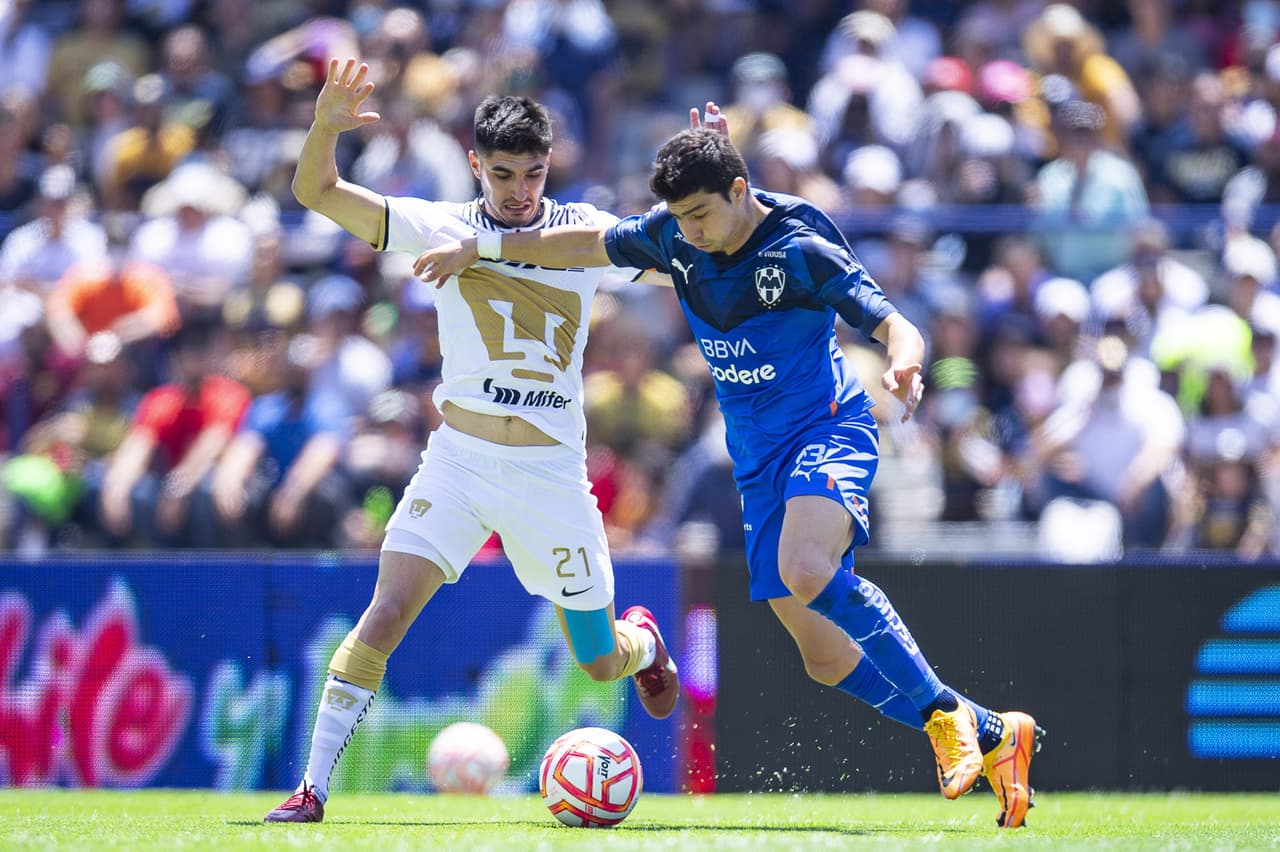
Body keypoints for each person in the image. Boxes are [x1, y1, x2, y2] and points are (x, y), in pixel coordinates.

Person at [415, 114, 1042, 828]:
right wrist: (485, 244)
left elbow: (891, 319)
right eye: (680, 219)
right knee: (825, 660)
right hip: (757, 459)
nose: (691, 233)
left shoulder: (799, 248)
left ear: (741, 189)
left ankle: (943, 714)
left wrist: (903, 357)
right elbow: (586, 242)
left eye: (703, 215)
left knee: (808, 570)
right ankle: (995, 733)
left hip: (826, 429)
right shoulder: (676, 232)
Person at [263, 59, 679, 824]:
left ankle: (644, 645)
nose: (520, 188)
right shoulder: (442, 224)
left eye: (533, 171)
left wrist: (708, 186)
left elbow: (692, 258)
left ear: (552, 164)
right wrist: (325, 126)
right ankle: (312, 788)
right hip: (458, 461)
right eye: (503, 172)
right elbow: (315, 194)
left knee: (596, 659)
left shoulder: (587, 234)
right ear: (473, 165)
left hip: (551, 475)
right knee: (385, 612)